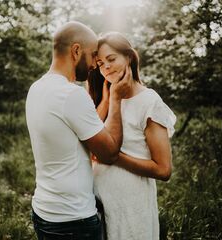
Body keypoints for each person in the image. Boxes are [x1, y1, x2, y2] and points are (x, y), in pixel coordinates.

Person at [25, 22, 131, 240]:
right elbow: (109, 153)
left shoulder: (37, 88)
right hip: (73, 220)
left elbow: (83, 123)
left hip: (44, 211)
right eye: (93, 55)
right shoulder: (71, 95)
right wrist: (117, 99)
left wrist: (106, 100)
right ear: (76, 51)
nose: (95, 63)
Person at [88, 32, 177, 240]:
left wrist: (114, 157)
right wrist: (109, 100)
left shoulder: (149, 102)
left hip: (131, 205)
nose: (106, 68)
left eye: (111, 59)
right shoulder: (106, 98)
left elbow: (163, 170)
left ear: (129, 57)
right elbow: (89, 143)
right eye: (100, 63)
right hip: (99, 204)